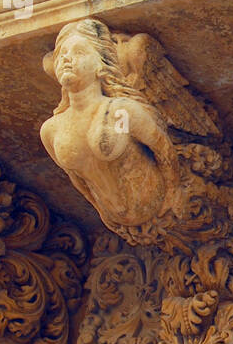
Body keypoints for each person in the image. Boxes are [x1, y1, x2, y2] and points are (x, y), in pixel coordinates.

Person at [41, 18, 181, 229]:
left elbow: (162, 148)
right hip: (115, 220)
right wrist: (99, 209)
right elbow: (77, 178)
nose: (66, 59)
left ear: (100, 65)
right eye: (61, 55)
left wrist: (173, 193)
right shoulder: (51, 130)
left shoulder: (121, 111)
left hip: (161, 208)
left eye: (78, 52)